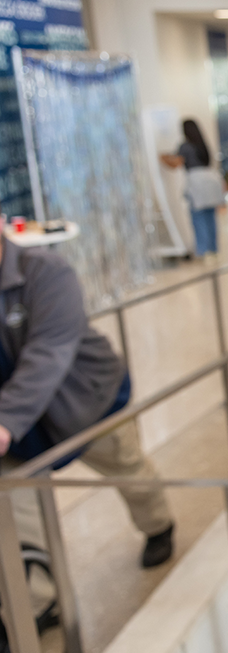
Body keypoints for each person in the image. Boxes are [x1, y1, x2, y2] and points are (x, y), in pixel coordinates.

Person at [0, 236, 175, 568]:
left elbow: (50, 350)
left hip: (87, 403)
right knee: (16, 513)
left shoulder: (46, 271)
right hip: (18, 421)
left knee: (129, 470)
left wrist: (5, 420)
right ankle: (42, 601)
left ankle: (159, 525)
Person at [160, 119, 224, 261]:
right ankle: (214, 250)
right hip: (210, 183)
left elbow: (176, 163)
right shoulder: (203, 145)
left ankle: (204, 252)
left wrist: (162, 158)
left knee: (198, 218)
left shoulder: (185, 146)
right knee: (210, 218)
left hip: (196, 185)